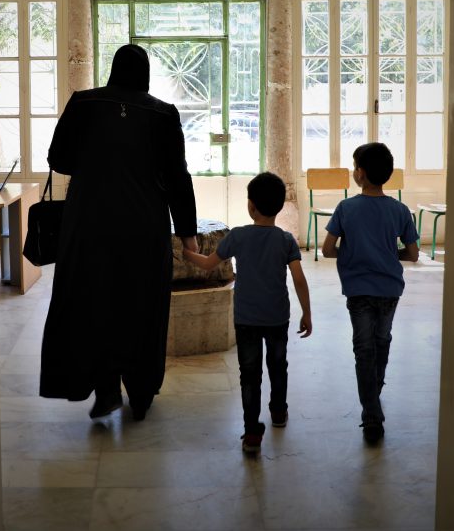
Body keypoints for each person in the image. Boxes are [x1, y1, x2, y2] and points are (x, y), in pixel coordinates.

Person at [39, 44, 198, 421]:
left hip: (89, 226)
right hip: (143, 229)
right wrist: (187, 232)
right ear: (144, 73)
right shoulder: (163, 114)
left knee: (93, 304)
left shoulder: (83, 103)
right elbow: (178, 177)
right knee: (143, 306)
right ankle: (141, 393)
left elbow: (58, 159)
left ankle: (106, 388)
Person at [183, 172, 312, 454]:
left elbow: (207, 265)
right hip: (277, 316)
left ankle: (252, 433)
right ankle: (278, 412)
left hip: (246, 320)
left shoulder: (238, 236)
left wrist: (187, 251)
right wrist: (307, 313)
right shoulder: (286, 240)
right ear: (278, 206)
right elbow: (299, 279)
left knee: (249, 374)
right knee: (278, 366)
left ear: (251, 206)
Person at [321, 142, 419, 444]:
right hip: (390, 289)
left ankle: (372, 415)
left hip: (358, 290)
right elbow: (413, 254)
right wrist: (388, 257)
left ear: (360, 174)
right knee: (382, 341)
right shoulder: (400, 210)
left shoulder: (346, 208)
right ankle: (374, 397)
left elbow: (326, 250)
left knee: (363, 349)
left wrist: (352, 254)